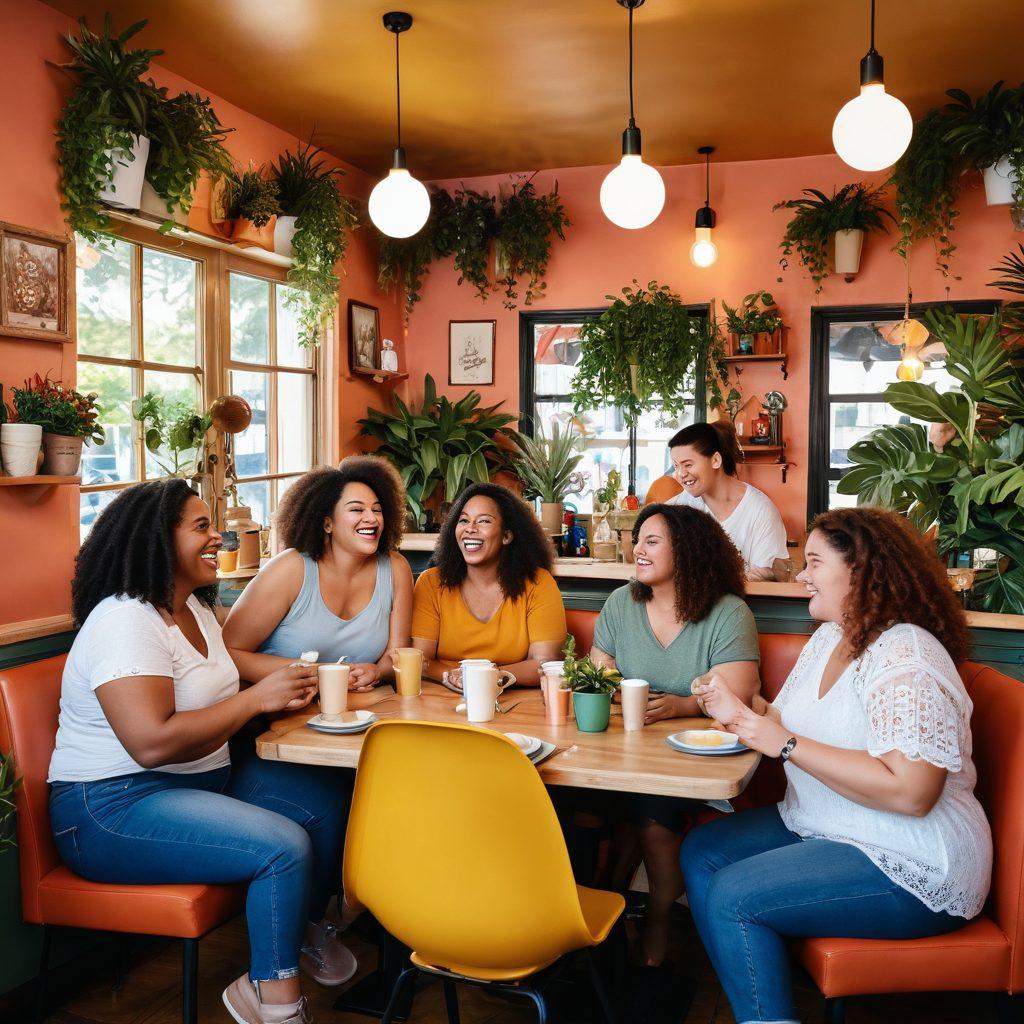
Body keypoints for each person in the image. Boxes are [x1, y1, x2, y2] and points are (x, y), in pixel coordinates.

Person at [48, 479, 355, 1024]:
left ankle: (299, 933)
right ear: (158, 540)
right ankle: (272, 998)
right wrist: (257, 697)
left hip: (200, 781)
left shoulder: (194, 608)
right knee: (282, 845)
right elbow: (151, 742)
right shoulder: (126, 619)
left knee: (325, 802)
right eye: (202, 527)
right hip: (110, 806)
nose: (220, 537)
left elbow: (222, 693)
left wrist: (283, 691)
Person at [682, 507, 992, 1024]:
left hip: (913, 859)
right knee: (703, 850)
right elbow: (787, 722)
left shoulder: (907, 655)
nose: (801, 575)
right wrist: (739, 707)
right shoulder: (832, 635)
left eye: (814, 562)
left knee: (733, 896)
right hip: (832, 824)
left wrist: (779, 742)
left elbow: (913, 793)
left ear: (861, 570)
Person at [589, 503, 760, 966]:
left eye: (651, 541)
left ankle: (659, 919)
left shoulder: (727, 613)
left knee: (651, 810)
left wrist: (680, 706)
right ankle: (600, 916)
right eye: (637, 539)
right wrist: (612, 688)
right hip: (618, 751)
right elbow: (597, 668)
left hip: (692, 760)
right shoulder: (622, 603)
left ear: (686, 551)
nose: (636, 549)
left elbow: (737, 693)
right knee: (576, 806)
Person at [224, 456, 413, 692]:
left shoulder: (396, 568)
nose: (372, 518)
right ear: (327, 524)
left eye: (377, 510)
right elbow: (228, 653)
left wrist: (377, 671)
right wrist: (322, 674)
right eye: (356, 509)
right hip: (277, 712)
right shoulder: (290, 569)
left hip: (357, 711)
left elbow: (396, 654)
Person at [409, 482, 566, 688]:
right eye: (464, 520)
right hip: (443, 698)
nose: (470, 529)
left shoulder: (538, 583)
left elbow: (544, 663)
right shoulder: (431, 583)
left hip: (514, 703)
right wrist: (454, 677)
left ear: (507, 535)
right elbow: (422, 661)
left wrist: (489, 677)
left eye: (483, 521)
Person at [666, 420, 788, 581]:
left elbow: (769, 578)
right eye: (676, 466)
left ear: (716, 460)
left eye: (687, 464)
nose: (680, 474)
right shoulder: (677, 508)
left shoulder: (760, 510)